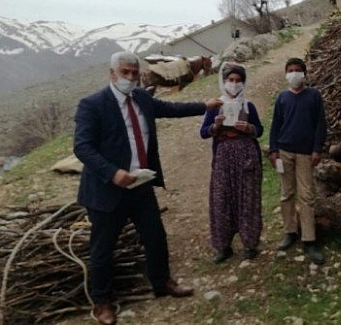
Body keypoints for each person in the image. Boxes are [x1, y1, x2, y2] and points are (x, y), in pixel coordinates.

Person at [73, 51, 223, 325]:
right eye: (124, 73)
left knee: (155, 236)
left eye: (134, 73)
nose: (130, 78)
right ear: (111, 74)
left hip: (140, 185)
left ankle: (162, 282)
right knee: (102, 249)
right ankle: (103, 303)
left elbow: (169, 109)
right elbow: (82, 147)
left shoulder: (142, 97)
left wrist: (205, 105)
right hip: (107, 190)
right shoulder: (92, 105)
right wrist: (113, 173)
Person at [200, 61, 264, 264]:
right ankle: (223, 246)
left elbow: (260, 130)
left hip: (246, 157)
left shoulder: (248, 105)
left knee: (248, 199)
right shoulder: (215, 106)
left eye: (238, 80)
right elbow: (203, 132)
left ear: (243, 83)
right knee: (222, 200)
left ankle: (249, 244)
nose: (234, 84)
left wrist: (249, 129)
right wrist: (214, 126)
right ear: (224, 81)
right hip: (223, 159)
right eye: (230, 80)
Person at [268, 57, 327, 265]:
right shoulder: (282, 97)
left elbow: (320, 124)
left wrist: (317, 149)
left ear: (304, 74)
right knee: (286, 193)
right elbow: (275, 125)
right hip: (285, 152)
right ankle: (290, 231)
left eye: (297, 70)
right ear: (286, 74)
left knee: (307, 195)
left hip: (305, 154)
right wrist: (273, 150)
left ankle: (309, 238)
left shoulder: (314, 96)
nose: (294, 74)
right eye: (290, 70)